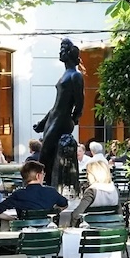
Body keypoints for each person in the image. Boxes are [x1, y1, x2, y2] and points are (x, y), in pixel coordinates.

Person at [33, 38, 84, 185]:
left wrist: (75, 117)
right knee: (48, 155)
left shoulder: (76, 75)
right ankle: (47, 185)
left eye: (62, 50)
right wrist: (43, 122)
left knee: (45, 155)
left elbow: (80, 101)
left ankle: (45, 186)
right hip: (54, 118)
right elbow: (56, 105)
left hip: (62, 120)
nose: (60, 53)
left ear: (68, 54)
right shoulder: (66, 75)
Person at [0, 160, 68, 221]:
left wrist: (14, 219)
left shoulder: (18, 194)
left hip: (25, 235)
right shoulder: (51, 192)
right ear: (38, 176)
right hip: (48, 234)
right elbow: (65, 204)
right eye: (43, 174)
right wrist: (54, 212)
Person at [69, 160, 120, 227]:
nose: (86, 176)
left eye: (88, 173)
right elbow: (120, 214)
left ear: (94, 175)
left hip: (92, 231)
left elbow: (76, 215)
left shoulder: (92, 192)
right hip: (114, 229)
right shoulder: (115, 190)